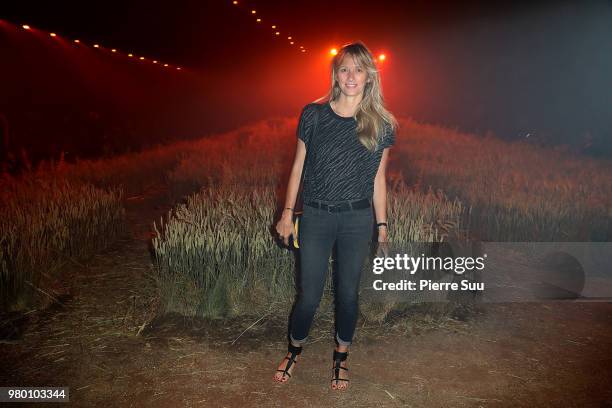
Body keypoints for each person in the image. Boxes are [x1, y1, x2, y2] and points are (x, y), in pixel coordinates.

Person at [273, 41, 398, 390]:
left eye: (359, 69)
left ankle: (341, 357)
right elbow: (298, 167)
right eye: (345, 68)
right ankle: (294, 349)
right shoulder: (313, 114)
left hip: (357, 220)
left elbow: (378, 179)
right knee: (309, 295)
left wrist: (382, 228)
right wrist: (287, 214)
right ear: (335, 74)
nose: (351, 76)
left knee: (348, 294)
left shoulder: (382, 124)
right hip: (315, 216)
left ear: (370, 75)